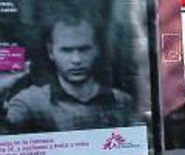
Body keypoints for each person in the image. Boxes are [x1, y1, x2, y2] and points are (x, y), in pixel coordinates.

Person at [5, 13, 134, 133]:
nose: (76, 60)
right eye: (66, 50)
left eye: (84, 49)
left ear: (97, 50)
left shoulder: (122, 101)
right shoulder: (30, 103)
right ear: (51, 52)